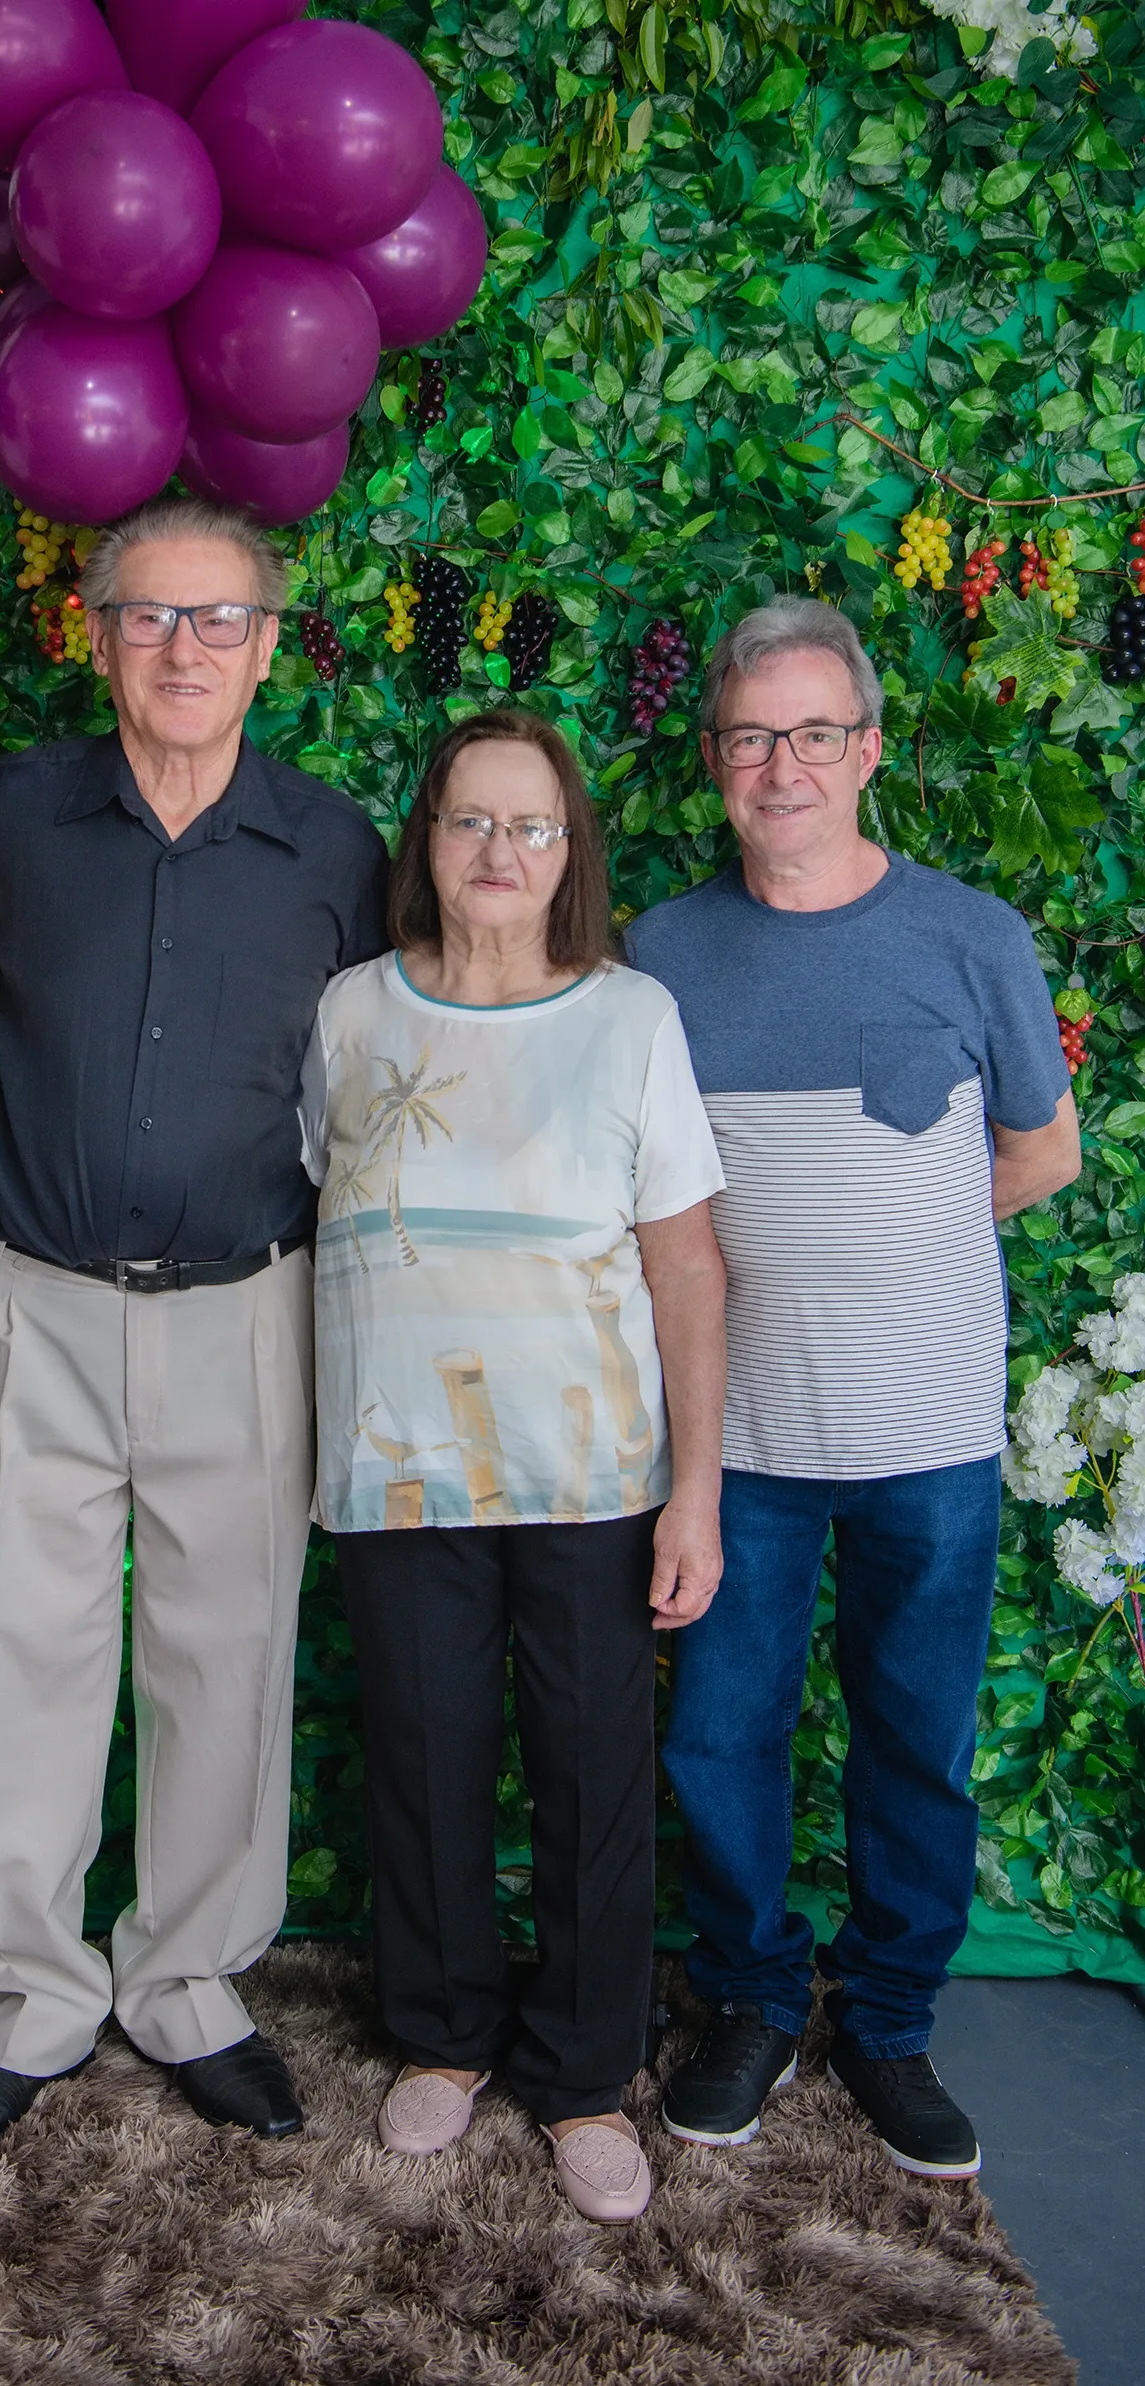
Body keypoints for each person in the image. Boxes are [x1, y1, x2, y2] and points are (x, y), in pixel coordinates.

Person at [0, 497, 389, 2161]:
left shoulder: (337, 851)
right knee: (23, 1656)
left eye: (217, 621)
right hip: (35, 1303)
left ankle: (189, 1979)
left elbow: (388, 1091)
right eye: (149, 618)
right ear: (97, 634)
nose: (182, 650)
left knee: (225, 1661)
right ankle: (29, 1992)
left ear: (269, 643)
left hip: (246, 1311)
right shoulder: (4, 821)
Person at [626, 599, 1081, 2180]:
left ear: (869, 750)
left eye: (815, 732)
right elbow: (647, 1187)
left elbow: (1042, 1150)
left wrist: (886, 1236)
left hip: (930, 1435)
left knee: (914, 1735)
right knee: (722, 1736)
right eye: (752, 736)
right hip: (734, 1439)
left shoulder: (972, 937)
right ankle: (750, 1996)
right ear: (717, 762)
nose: (783, 764)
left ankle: (889, 2019)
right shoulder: (666, 951)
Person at [302, 709, 728, 2223]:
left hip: (593, 1472)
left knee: (591, 1771)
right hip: (395, 1467)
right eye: (471, 821)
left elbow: (686, 1264)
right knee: (419, 1759)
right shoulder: (352, 1013)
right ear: (428, 838)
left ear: (571, 853)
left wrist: (698, 1487)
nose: (499, 852)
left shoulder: (631, 1018)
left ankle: (583, 2071)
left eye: (531, 827)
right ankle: (442, 2033)